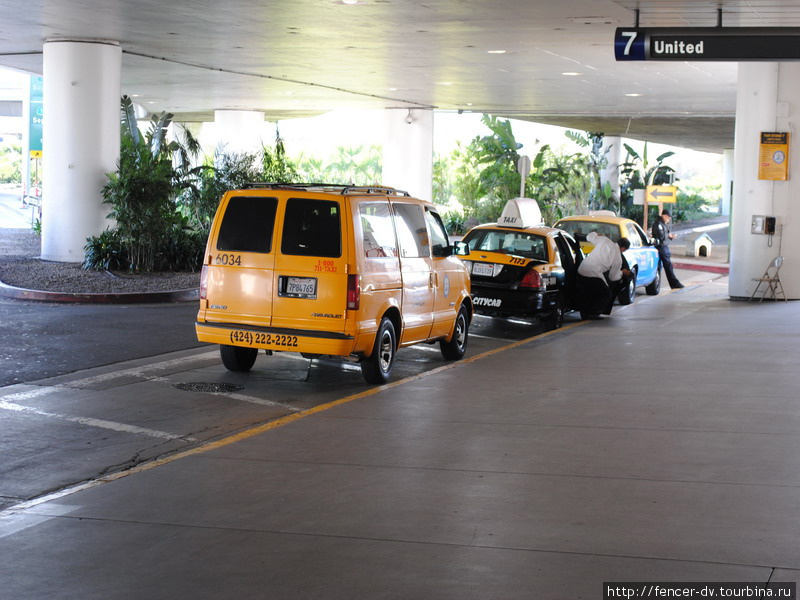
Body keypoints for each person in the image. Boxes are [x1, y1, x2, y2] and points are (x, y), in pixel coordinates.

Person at [576, 232, 632, 320]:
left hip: (581, 269)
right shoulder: (618, 258)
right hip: (593, 273)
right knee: (606, 294)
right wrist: (622, 272)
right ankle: (593, 313)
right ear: (623, 248)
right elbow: (613, 277)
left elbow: (589, 236)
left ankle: (585, 313)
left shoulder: (604, 240)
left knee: (590, 291)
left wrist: (597, 234)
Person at [651, 208, 684, 289]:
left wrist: (670, 236)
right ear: (665, 216)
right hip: (661, 247)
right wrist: (668, 235)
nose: (669, 220)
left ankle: (673, 283)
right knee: (668, 266)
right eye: (668, 218)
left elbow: (665, 234)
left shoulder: (663, 224)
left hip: (664, 247)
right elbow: (661, 236)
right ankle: (674, 284)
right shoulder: (658, 224)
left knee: (666, 266)